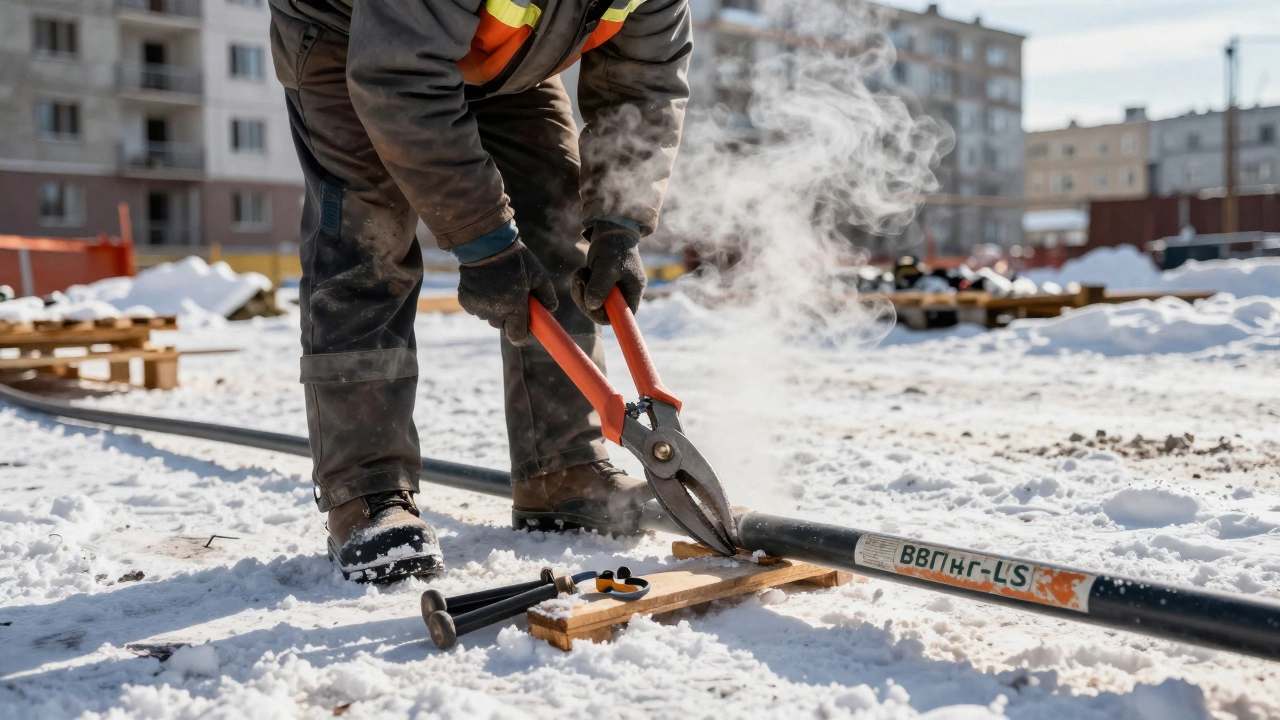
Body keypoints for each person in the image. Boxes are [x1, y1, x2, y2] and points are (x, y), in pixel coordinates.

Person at [267, 0, 692, 582]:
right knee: (369, 246)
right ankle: (368, 492)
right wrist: (484, 242)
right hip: (353, 38)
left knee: (556, 224)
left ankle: (561, 468)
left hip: (506, 62)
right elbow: (399, 77)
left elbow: (644, 82)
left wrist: (620, 220)